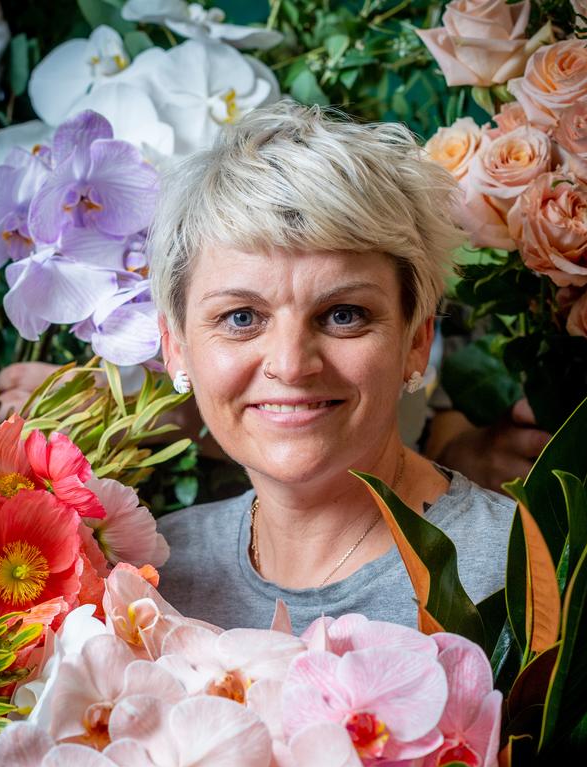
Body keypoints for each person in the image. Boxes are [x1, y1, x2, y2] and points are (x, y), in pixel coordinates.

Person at [151, 100, 516, 633]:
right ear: (176, 346)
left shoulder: (528, 572)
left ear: (417, 340)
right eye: (240, 317)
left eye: (343, 315)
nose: (292, 365)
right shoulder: (149, 575)